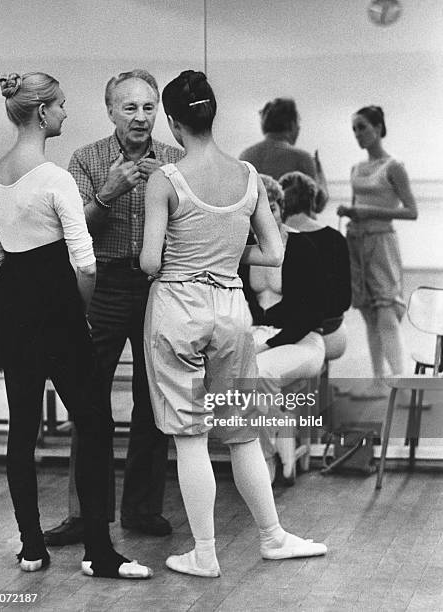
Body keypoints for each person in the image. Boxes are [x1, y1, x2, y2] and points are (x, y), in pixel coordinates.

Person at [141, 70, 327, 578]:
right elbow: (274, 252)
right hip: (230, 305)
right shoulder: (247, 175)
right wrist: (227, 250)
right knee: (243, 433)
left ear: (174, 123)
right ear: (212, 115)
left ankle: (204, 553)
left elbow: (150, 263)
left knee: (190, 435)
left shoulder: (166, 178)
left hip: (178, 305)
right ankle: (272, 536)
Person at [0, 72, 151, 579]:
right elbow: (86, 263)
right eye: (59, 106)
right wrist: (77, 313)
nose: (64, 114)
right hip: (57, 304)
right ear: (41, 112)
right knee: (95, 422)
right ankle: (98, 551)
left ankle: (31, 547)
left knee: (21, 430)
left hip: (11, 304)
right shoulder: (55, 176)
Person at [44, 69, 183, 546]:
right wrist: (108, 192)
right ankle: (87, 513)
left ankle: (143, 509)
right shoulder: (85, 160)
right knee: (89, 398)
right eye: (130, 108)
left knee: (153, 399)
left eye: (148, 107)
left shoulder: (175, 160)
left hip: (157, 286)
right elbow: (73, 231)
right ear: (110, 111)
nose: (140, 117)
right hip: (101, 285)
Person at [239, 174, 326, 483]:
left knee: (257, 372)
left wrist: (269, 344)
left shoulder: (303, 247)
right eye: (256, 210)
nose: (265, 216)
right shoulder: (244, 250)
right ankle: (280, 434)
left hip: (303, 341)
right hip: (257, 337)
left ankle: (266, 464)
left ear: (280, 208)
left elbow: (312, 313)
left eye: (271, 208)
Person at [337, 106, 418, 399]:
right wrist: (351, 212)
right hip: (356, 241)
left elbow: (412, 211)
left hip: (381, 242)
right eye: (355, 129)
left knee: (386, 312)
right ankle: (377, 380)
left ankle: (405, 386)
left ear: (378, 127)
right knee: (369, 313)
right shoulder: (356, 169)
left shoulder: (394, 166)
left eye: (363, 127)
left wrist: (364, 210)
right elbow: (355, 206)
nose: (358, 134)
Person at [278, 171, 351, 361]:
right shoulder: (335, 239)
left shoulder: (274, 240)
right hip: (329, 332)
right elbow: (344, 301)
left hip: (285, 327)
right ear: (312, 201)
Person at [239, 97, 328, 203]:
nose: (299, 128)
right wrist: (319, 173)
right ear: (291, 124)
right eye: (298, 122)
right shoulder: (302, 158)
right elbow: (317, 203)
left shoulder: (245, 156)